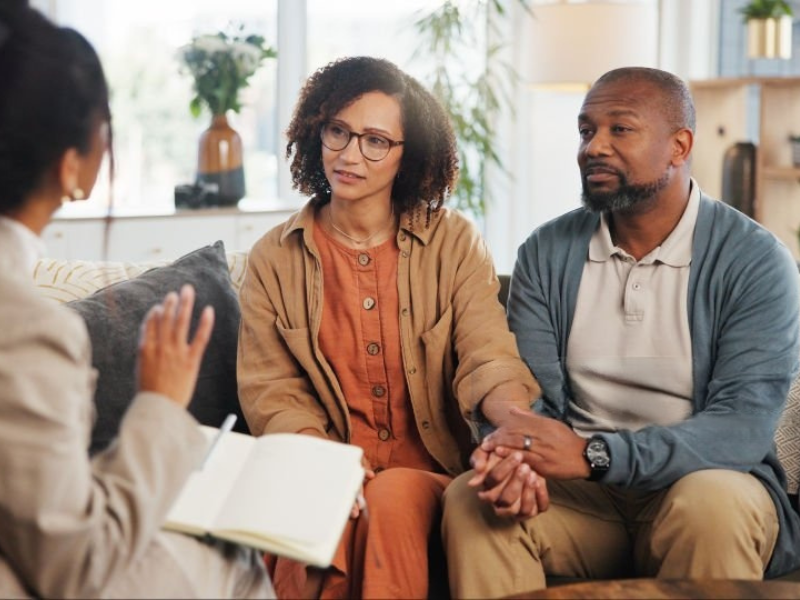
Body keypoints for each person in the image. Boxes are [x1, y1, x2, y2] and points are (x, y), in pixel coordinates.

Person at [441, 66, 800, 597]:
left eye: (620, 129)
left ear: (679, 146)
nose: (594, 147)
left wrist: (596, 455)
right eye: (586, 131)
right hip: (579, 500)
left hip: (701, 485)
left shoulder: (755, 260)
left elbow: (740, 429)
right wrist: (518, 457)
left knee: (710, 505)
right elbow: (531, 396)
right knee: (473, 499)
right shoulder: (546, 252)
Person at [236, 55, 540, 599]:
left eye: (375, 140)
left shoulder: (454, 242)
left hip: (429, 473)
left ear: (409, 155)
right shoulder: (273, 258)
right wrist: (326, 465)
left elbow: (487, 357)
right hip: (323, 460)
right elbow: (272, 393)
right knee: (316, 507)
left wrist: (516, 429)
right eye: (338, 132)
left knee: (394, 493)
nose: (350, 155)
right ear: (316, 132)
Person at [0, 3, 274, 598]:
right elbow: (76, 564)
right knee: (237, 567)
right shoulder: (27, 329)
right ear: (74, 165)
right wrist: (161, 403)